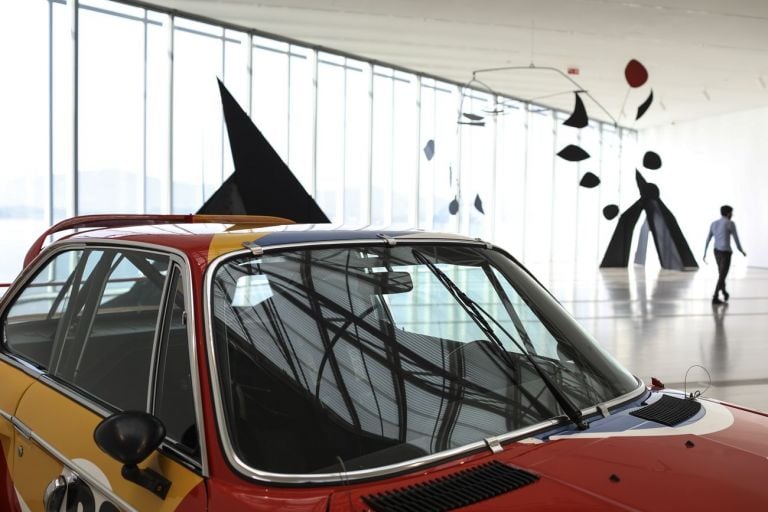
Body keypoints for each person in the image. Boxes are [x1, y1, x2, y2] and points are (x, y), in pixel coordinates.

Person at [704, 205, 746, 304]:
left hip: (716, 251)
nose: (732, 215)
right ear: (728, 213)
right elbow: (736, 240)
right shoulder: (730, 224)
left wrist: (705, 253)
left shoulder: (714, 223)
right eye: (731, 213)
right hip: (726, 253)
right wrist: (741, 251)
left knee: (721, 274)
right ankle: (715, 296)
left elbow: (708, 239)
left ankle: (724, 292)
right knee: (722, 275)